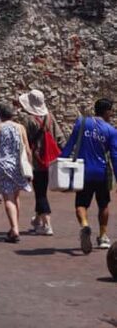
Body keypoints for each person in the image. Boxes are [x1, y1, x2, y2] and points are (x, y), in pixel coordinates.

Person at [61, 97, 117, 253]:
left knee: (81, 204)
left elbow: (70, 144)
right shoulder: (111, 131)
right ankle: (103, 236)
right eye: (111, 111)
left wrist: (61, 161)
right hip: (102, 172)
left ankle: (85, 225)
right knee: (104, 204)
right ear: (107, 111)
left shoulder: (82, 123)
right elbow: (114, 156)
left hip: (82, 172)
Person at [19, 88, 65, 236]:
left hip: (36, 160)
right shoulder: (50, 117)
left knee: (40, 193)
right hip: (51, 160)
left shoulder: (27, 120)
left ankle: (47, 224)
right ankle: (37, 220)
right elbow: (60, 138)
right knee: (41, 190)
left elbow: (23, 141)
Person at [0, 102, 32, 243]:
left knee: (8, 198)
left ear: (0, 115)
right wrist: (30, 166)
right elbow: (27, 148)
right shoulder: (20, 127)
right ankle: (15, 226)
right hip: (18, 165)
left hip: (3, 164)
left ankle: (14, 228)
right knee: (16, 196)